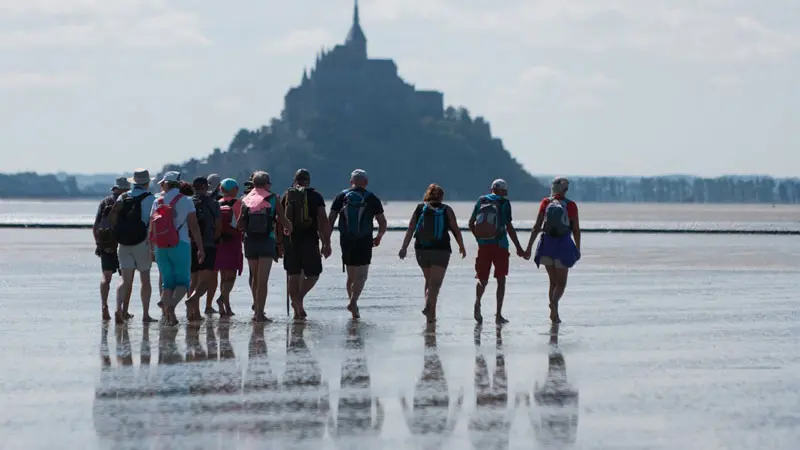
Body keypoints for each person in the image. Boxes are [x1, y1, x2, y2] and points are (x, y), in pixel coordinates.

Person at [399, 184, 466, 323]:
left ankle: (431, 317)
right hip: (441, 250)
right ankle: (428, 305)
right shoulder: (446, 210)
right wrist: (461, 246)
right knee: (435, 284)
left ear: (427, 195)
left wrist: (404, 247)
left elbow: (411, 229)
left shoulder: (419, 209)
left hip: (422, 249)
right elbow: (455, 229)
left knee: (429, 281)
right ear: (441, 196)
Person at [328, 169, 387, 320]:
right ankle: (353, 302)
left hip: (346, 240)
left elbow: (331, 220)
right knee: (362, 275)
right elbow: (382, 222)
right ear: (366, 182)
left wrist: (326, 240)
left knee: (351, 275)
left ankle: (354, 308)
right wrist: (379, 236)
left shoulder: (341, 196)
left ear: (350, 182)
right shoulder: (372, 198)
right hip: (364, 240)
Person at [149, 171, 205, 326]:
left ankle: (170, 317)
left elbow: (151, 227)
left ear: (165, 184)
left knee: (167, 283)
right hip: (180, 243)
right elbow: (193, 226)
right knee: (183, 282)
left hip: (160, 245)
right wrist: (200, 247)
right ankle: (171, 307)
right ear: (179, 183)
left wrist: (151, 249)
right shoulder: (186, 200)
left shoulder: (157, 201)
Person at [237, 171, 292, 323]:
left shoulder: (245, 199)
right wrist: (288, 230)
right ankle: (260, 313)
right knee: (262, 280)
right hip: (266, 241)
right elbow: (284, 220)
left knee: (254, 278)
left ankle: (256, 311)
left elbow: (240, 224)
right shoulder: (274, 198)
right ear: (267, 183)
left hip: (250, 242)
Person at [468, 179, 525, 325]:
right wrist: (519, 247)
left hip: (483, 246)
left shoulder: (481, 200)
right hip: (500, 245)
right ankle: (498, 315)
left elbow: (470, 223)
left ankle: (477, 302)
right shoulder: (504, 203)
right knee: (501, 279)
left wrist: (479, 239)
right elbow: (509, 227)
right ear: (503, 191)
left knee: (482, 278)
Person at [525, 177, 581, 323]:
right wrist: (578, 248)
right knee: (561, 283)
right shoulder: (571, 205)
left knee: (553, 281)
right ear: (566, 189)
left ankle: (554, 315)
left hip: (546, 244)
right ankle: (554, 303)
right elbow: (575, 229)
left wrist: (529, 247)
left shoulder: (545, 203)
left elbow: (537, 227)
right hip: (563, 245)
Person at [280, 169, 332, 321]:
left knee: (293, 274)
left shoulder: (286, 195)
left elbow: (279, 220)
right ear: (308, 180)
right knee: (314, 273)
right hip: (309, 239)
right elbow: (323, 219)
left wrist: (279, 242)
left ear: (295, 180)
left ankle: (297, 307)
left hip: (289, 239)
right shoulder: (315, 195)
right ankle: (299, 299)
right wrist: (326, 243)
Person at [108, 169, 157, 324]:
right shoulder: (151, 199)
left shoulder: (123, 196)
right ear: (147, 183)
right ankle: (146, 314)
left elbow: (113, 218)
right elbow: (152, 222)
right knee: (145, 279)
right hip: (142, 242)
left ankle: (118, 309)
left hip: (123, 242)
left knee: (125, 280)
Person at [185, 176, 222, 321]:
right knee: (206, 281)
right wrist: (214, 240)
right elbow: (218, 226)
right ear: (206, 187)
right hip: (207, 244)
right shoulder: (213, 203)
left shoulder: (187, 202)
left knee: (193, 280)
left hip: (190, 244)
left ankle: (193, 313)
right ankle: (192, 300)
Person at [93, 177, 128, 321]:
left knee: (106, 277)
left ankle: (104, 306)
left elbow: (96, 226)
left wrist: (99, 243)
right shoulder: (126, 202)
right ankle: (121, 310)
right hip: (123, 243)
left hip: (106, 243)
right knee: (125, 278)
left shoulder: (105, 202)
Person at [213, 178, 244, 316]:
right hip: (233, 241)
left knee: (223, 275)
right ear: (235, 190)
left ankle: (226, 307)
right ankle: (221, 300)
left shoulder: (217, 203)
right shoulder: (239, 204)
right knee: (231, 276)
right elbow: (240, 223)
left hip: (220, 242)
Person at [204, 173, 223, 314]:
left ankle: (194, 306)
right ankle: (208, 305)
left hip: (198, 241)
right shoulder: (218, 201)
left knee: (197, 276)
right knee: (214, 275)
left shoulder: (199, 198)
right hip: (214, 241)